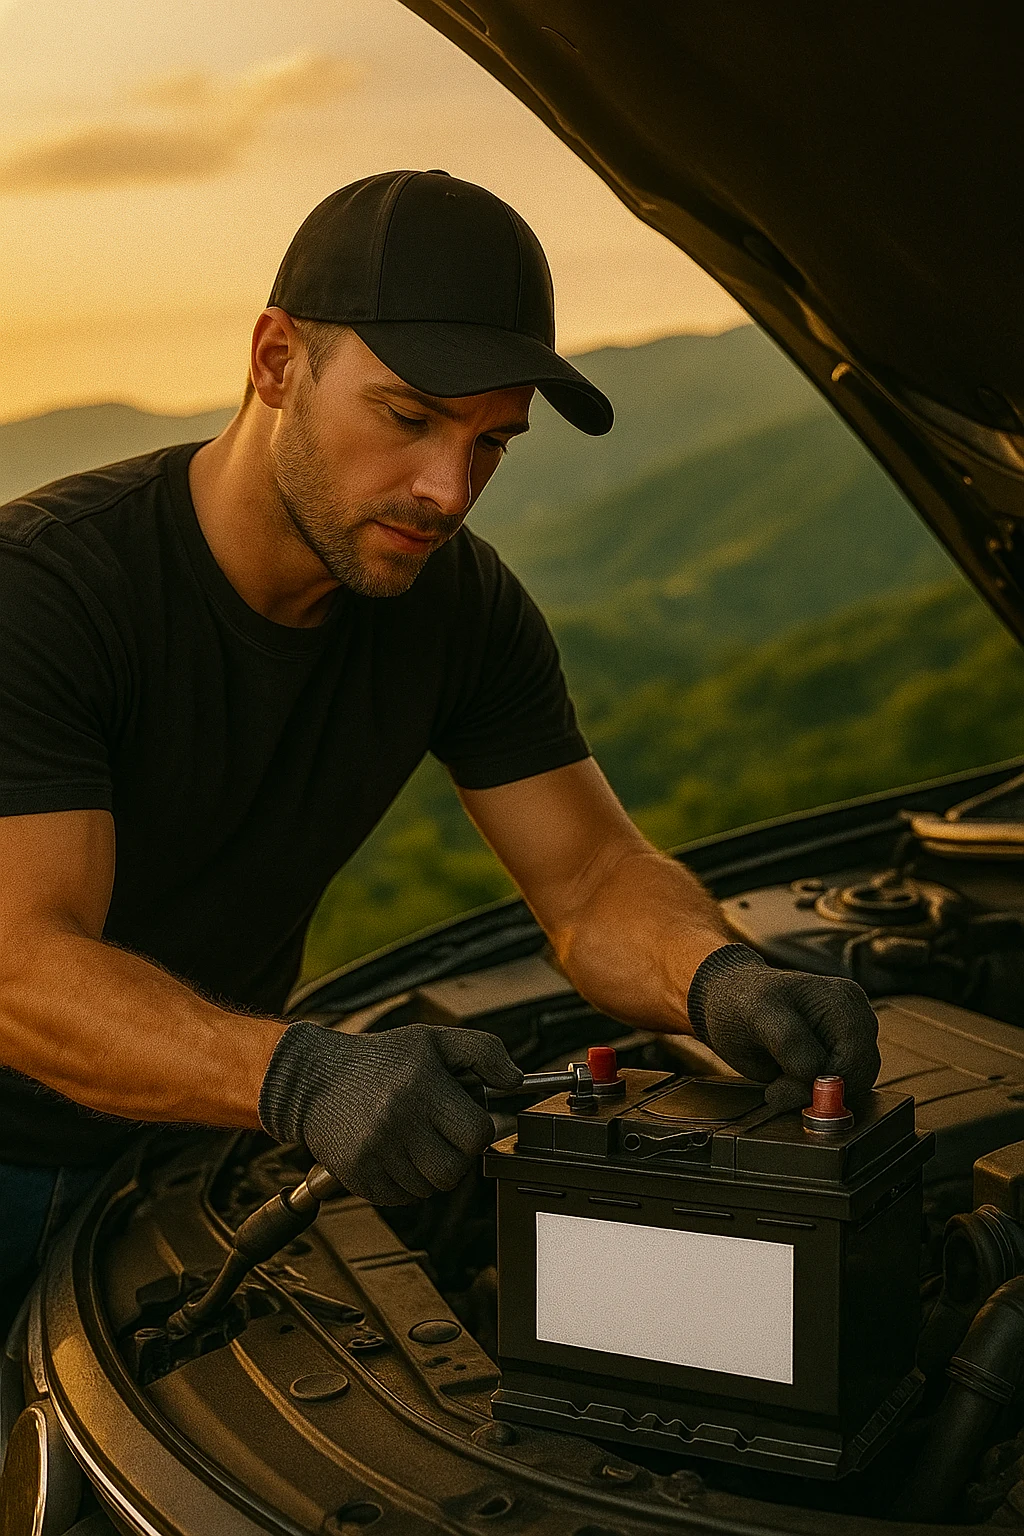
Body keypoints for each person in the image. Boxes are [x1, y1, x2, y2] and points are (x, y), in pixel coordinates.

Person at [0, 170, 879, 1321]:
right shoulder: (44, 592)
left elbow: (591, 879)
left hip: (189, 1154)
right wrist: (299, 1075)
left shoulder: (455, 607)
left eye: (492, 443)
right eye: (409, 417)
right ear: (275, 361)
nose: (446, 489)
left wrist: (713, 977)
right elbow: (19, 966)